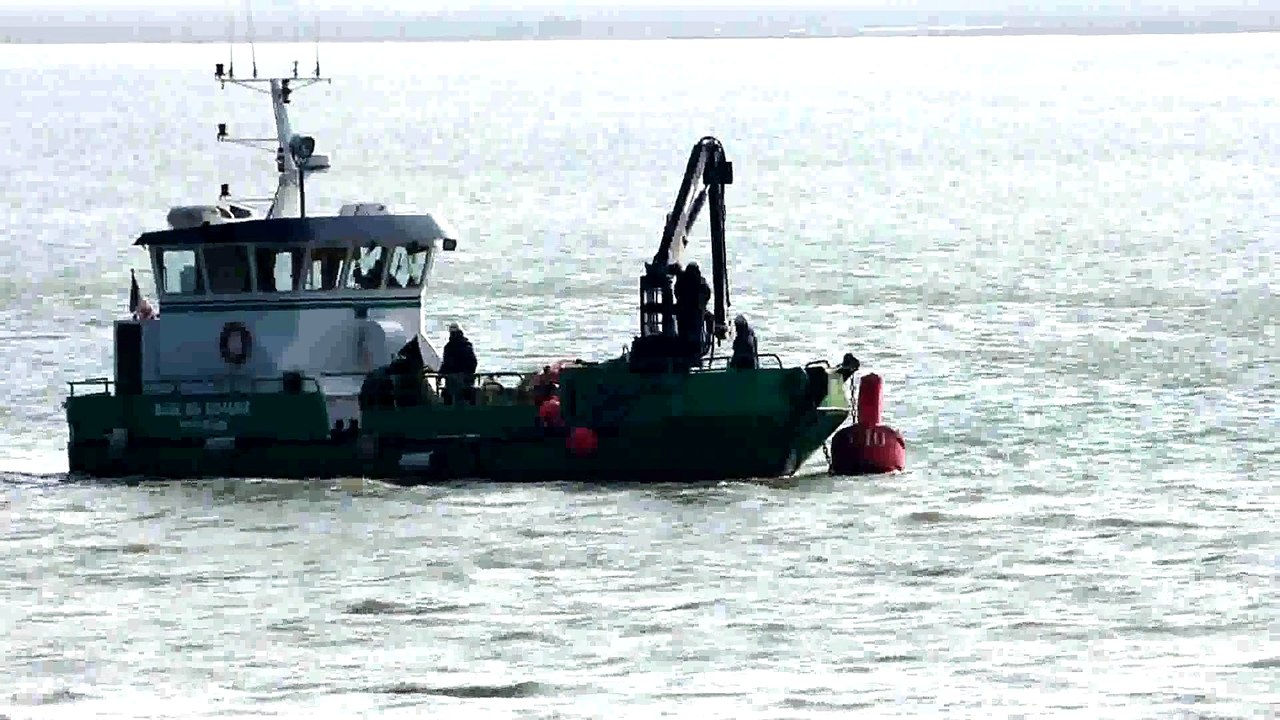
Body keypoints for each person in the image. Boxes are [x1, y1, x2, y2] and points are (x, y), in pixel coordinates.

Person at [674, 261, 711, 360]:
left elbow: (676, 291)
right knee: (695, 333)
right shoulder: (701, 281)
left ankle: (686, 352)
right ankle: (694, 354)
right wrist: (702, 306)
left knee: (684, 333)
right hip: (696, 312)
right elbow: (707, 294)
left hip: (684, 311)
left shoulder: (682, 279)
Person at [439, 323, 478, 405]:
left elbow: (446, 364)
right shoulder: (467, 345)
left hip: (453, 381)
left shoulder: (449, 347)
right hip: (466, 380)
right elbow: (473, 363)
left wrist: (440, 375)